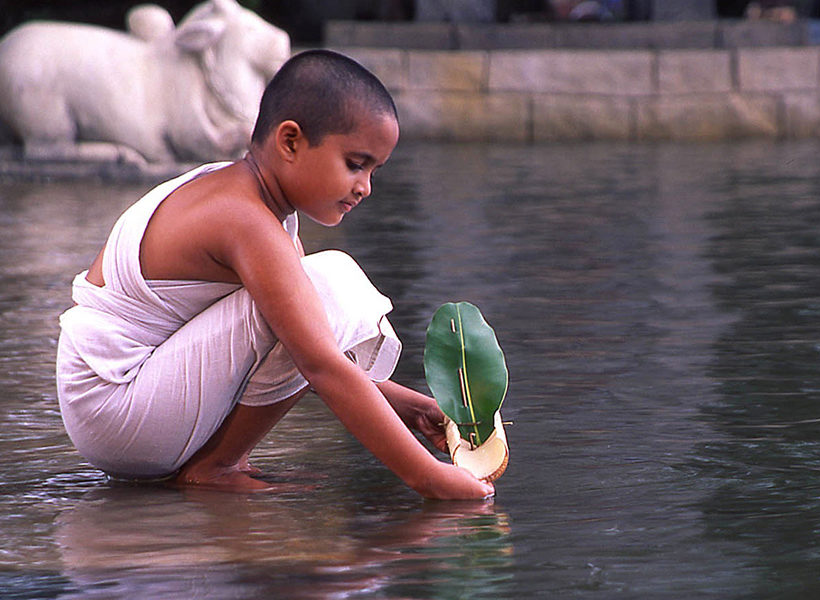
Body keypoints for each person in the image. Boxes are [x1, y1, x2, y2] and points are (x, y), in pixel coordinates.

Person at [54, 49, 495, 500]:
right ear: (290, 142)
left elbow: (304, 345)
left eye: (373, 171)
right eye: (355, 164)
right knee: (333, 285)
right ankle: (216, 466)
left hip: (116, 409)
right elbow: (318, 361)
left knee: (314, 293)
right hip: (116, 407)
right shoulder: (246, 219)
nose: (365, 187)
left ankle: (215, 461)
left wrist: (406, 405)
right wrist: (430, 477)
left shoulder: (259, 207)